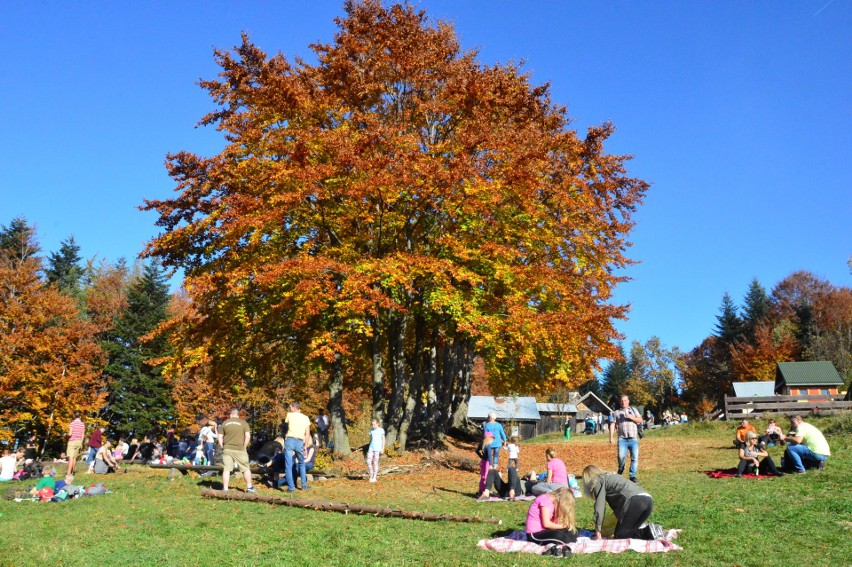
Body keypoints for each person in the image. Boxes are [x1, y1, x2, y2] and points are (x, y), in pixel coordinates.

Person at [582, 464, 664, 540]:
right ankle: (654, 531)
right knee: (630, 532)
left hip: (635, 502)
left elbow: (599, 507)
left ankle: (648, 531)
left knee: (619, 535)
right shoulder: (612, 475)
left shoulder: (598, 480)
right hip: (648, 500)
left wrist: (598, 531)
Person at [525, 486, 578, 554]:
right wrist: (562, 526)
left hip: (545, 531)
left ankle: (568, 539)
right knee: (558, 535)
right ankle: (565, 542)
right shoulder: (545, 500)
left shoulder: (553, 503)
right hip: (534, 534)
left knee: (573, 531)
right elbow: (546, 524)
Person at [219, 408, 256, 493]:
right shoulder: (243, 423)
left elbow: (220, 436)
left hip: (227, 449)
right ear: (238, 415)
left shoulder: (225, 423)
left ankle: (225, 488)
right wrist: (244, 446)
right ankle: (249, 487)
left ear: (231, 415)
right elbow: (247, 436)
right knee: (245, 468)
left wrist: (222, 446)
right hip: (240, 449)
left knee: (227, 469)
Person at [610, 395, 643, 483]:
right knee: (621, 457)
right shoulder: (616, 412)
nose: (623, 402)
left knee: (634, 458)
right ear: (619, 402)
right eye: (621, 401)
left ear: (628, 401)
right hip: (622, 439)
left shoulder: (633, 410)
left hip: (633, 439)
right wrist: (611, 437)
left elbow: (640, 420)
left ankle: (632, 476)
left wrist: (632, 417)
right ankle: (621, 468)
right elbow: (612, 424)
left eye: (625, 400)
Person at [283, 402, 312, 492]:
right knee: (301, 463)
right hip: (300, 441)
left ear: (293, 407)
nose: (289, 409)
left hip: (290, 440)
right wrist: (306, 445)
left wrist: (285, 436)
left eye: (290, 407)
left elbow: (286, 427)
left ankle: (291, 487)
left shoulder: (289, 415)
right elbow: (307, 433)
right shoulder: (305, 418)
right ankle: (304, 485)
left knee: (288, 465)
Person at [366, 418, 385, 483]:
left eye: (374, 425)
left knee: (375, 462)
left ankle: (374, 477)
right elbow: (371, 439)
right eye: (372, 425)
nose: (373, 426)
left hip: (377, 449)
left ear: (378, 424)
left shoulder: (381, 430)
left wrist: (382, 448)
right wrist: (369, 447)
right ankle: (371, 475)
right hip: (371, 448)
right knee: (368, 461)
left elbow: (383, 439)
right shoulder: (371, 430)